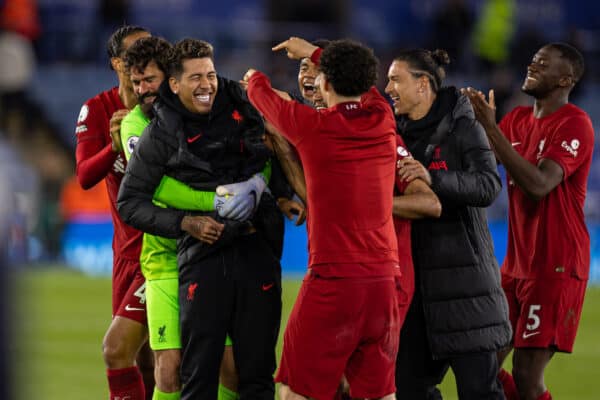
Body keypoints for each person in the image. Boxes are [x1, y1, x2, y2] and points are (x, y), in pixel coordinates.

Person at [117, 38, 282, 400]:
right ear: (174, 85)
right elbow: (129, 202)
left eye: (210, 74)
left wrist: (263, 186)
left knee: (255, 374)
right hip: (200, 257)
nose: (207, 84)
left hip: (256, 253)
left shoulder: (240, 104)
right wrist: (188, 222)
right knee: (195, 374)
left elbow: (271, 153)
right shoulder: (157, 133)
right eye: (195, 78)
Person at [246, 37, 400, 400]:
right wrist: (316, 54)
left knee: (295, 392)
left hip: (334, 281)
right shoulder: (382, 118)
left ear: (324, 83)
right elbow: (370, 90)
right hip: (383, 284)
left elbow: (259, 93)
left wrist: (253, 76)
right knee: (379, 394)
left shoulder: (310, 126)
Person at [464, 43, 593, 400]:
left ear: (565, 79)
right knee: (480, 367)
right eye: (533, 59)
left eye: (544, 64)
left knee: (525, 374)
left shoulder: (574, 123)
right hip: (516, 266)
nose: (533, 65)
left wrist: (493, 131)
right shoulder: (517, 120)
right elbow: (480, 168)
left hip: (556, 264)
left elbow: (538, 185)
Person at [386, 48, 512, 399]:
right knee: (408, 390)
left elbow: (488, 185)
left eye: (396, 79)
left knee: (479, 392)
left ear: (422, 84)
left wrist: (433, 178)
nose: (388, 87)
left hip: (466, 290)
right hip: (416, 294)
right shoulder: (393, 133)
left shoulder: (463, 126)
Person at [74, 25, 154, 400]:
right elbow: (85, 175)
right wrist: (112, 145)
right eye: (139, 50)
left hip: (163, 249)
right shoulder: (98, 108)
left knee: (136, 352)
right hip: (126, 253)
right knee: (141, 362)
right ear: (117, 63)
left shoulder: (165, 105)